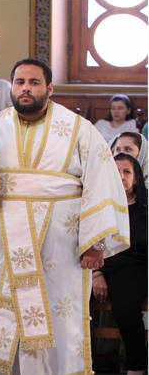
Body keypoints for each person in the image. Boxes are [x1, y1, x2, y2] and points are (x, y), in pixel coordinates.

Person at [0, 58, 129, 374]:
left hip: (57, 248)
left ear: (49, 88)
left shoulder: (79, 130)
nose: (25, 89)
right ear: (11, 86)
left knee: (56, 317)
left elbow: (101, 182)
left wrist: (94, 243)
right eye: (19, 82)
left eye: (33, 83)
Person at [92, 153, 147, 375]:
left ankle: (136, 365)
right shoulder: (96, 204)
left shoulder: (146, 206)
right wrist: (96, 273)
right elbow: (86, 240)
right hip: (96, 265)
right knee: (69, 298)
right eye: (115, 172)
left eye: (127, 172)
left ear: (136, 177)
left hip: (136, 267)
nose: (121, 177)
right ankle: (80, 361)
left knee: (125, 305)